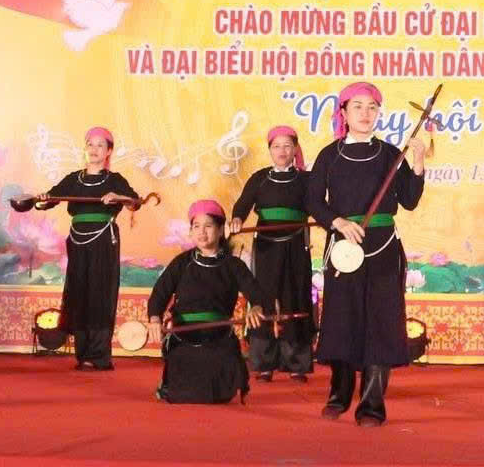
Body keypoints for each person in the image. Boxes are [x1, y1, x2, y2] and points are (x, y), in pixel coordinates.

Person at [306, 82, 428, 426]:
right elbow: (313, 200)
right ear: (343, 113)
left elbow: (409, 200)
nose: (365, 113)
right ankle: (339, 394)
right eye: (357, 106)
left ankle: (372, 404)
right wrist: (338, 222)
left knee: (381, 323)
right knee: (342, 320)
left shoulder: (390, 154)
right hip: (343, 248)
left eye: (372, 107)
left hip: (383, 248)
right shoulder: (330, 155)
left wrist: (418, 161)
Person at [37, 126, 141, 370]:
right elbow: (50, 198)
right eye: (90, 144)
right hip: (78, 240)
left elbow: (135, 202)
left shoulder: (114, 180)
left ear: (109, 151)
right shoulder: (74, 178)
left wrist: (119, 197)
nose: (94, 149)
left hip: (104, 240)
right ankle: (83, 354)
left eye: (100, 145)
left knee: (100, 293)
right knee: (79, 292)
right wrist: (41, 201)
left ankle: (99, 355)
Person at [147, 200, 266, 404]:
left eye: (208, 226)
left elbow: (256, 292)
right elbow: (159, 294)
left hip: (219, 337)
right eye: (196, 226)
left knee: (219, 395)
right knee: (181, 395)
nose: (202, 232)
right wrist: (155, 318)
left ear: (220, 230)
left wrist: (256, 306)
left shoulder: (233, 265)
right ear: (191, 231)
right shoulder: (181, 263)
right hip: (184, 337)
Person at [229, 124, 315, 382]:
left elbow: (318, 206)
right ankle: (263, 362)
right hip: (266, 247)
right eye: (276, 146)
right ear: (269, 150)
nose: (282, 151)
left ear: (295, 149)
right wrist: (237, 218)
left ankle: (297, 363)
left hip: (296, 245)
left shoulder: (306, 180)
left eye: (287, 146)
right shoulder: (260, 178)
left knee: (295, 297)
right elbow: (243, 205)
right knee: (263, 298)